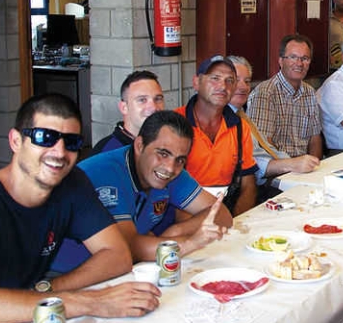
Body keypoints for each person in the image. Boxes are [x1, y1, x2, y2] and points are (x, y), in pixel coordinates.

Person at [0, 94, 159, 323]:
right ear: (15, 141)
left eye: (71, 142)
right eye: (44, 137)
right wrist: (94, 301)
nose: (59, 152)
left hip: (29, 313)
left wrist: (45, 290)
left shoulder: (70, 183)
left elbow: (117, 255)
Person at [50, 111, 234, 272]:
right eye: (162, 153)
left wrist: (174, 231)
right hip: (69, 274)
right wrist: (191, 242)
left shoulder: (171, 172)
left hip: (124, 269)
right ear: (139, 145)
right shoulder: (107, 173)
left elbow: (222, 214)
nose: (170, 168)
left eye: (180, 159)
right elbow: (130, 247)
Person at [177, 55, 258, 216]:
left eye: (230, 80)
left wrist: (236, 222)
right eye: (215, 78)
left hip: (226, 213)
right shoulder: (175, 124)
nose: (222, 86)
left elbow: (248, 184)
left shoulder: (239, 127)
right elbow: (166, 188)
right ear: (196, 83)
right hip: (183, 216)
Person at [235, 43, 322, 188]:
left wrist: (314, 166)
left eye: (305, 58)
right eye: (293, 57)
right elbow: (265, 149)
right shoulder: (265, 93)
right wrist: (292, 165)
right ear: (280, 61)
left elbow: (315, 138)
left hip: (301, 169)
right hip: (277, 175)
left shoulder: (310, 92)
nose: (299, 63)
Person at [92, 70, 165, 155]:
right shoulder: (106, 153)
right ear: (124, 108)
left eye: (158, 99)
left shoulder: (167, 144)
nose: (153, 107)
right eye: (142, 100)